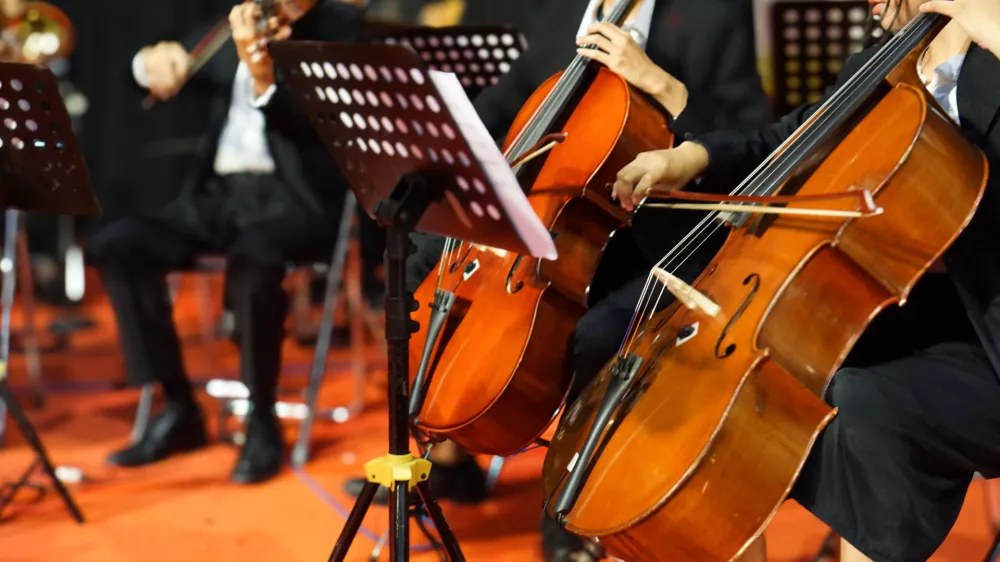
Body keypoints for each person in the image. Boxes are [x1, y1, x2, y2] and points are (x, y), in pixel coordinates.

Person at [342, 0, 771, 560]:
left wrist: (661, 85)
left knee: (597, 334)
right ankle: (441, 454)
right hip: (555, 228)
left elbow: (753, 137)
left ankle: (568, 523)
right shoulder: (557, 13)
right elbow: (497, 111)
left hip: (663, 240)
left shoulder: (709, 14)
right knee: (421, 255)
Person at [611, 0, 1000, 560]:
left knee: (870, 402)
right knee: (790, 387)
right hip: (931, 325)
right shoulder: (890, 63)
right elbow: (793, 137)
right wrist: (693, 155)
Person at [86, 0, 366, 485]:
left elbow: (326, 128)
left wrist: (263, 77)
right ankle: (179, 407)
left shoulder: (344, 30)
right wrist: (147, 64)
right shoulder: (238, 20)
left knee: (255, 258)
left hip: (297, 200)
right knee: (119, 243)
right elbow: (167, 70)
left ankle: (261, 418)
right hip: (218, 197)